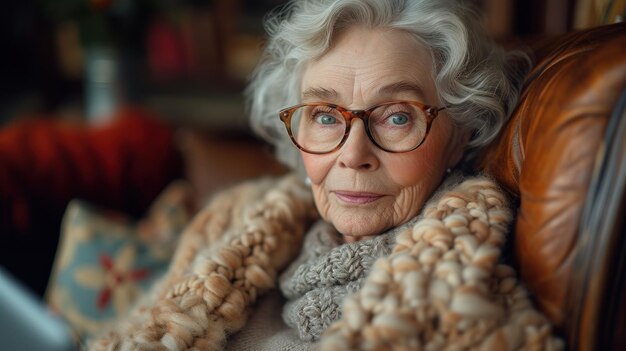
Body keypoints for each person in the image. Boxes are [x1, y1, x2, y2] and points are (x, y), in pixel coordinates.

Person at [89, 0, 563, 350]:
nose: (353, 154)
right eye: (324, 115)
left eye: (396, 116)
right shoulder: (236, 218)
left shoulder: (467, 299)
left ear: (459, 135)